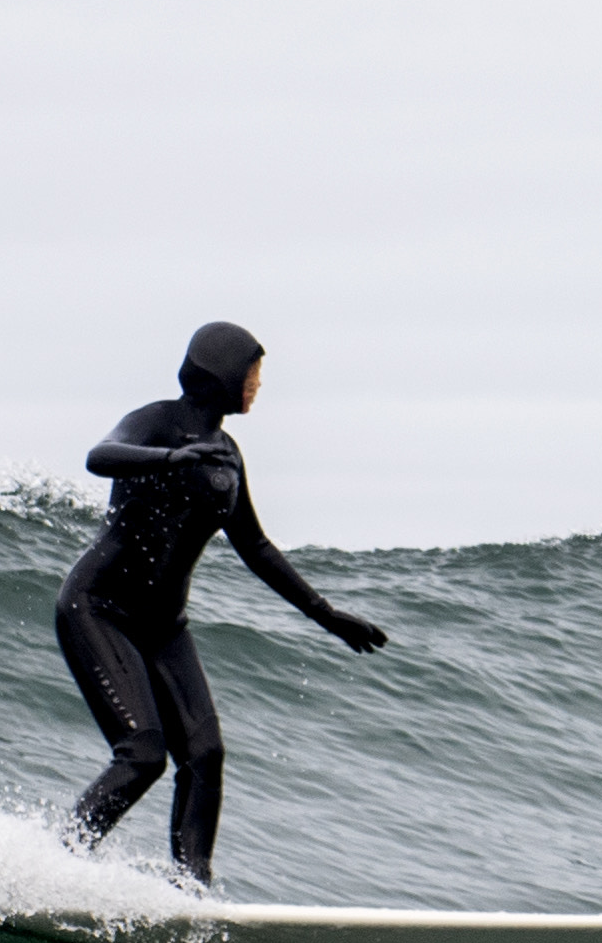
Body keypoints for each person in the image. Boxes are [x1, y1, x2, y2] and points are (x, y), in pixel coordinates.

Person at [58, 321, 387, 882]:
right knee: (142, 756)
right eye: (252, 372)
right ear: (222, 375)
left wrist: (326, 614)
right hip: (98, 608)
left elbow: (255, 546)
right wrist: (168, 461)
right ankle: (55, 862)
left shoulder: (226, 455)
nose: (258, 384)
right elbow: (100, 455)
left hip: (164, 627)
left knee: (205, 756)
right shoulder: (156, 422)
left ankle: (191, 891)